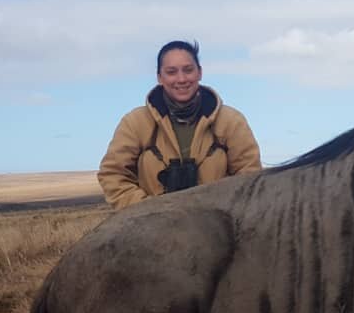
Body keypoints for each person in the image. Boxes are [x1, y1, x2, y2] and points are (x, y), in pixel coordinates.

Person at [98, 40, 262, 209]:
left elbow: (251, 177)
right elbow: (113, 174)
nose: (181, 79)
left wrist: (218, 212)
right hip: (151, 229)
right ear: (159, 77)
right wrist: (148, 211)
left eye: (188, 70)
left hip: (218, 229)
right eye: (171, 72)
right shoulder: (135, 123)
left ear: (199, 73)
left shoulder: (231, 121)